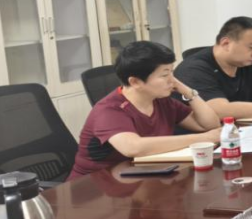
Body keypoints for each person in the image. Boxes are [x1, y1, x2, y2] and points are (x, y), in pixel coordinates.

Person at [72, 41, 222, 179]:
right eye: (165, 75)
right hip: (96, 186)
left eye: (172, 72)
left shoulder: (161, 100)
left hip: (141, 177)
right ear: (135, 82)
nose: (172, 80)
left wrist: (188, 92)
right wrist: (204, 138)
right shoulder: (109, 110)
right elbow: (133, 147)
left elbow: (208, 125)